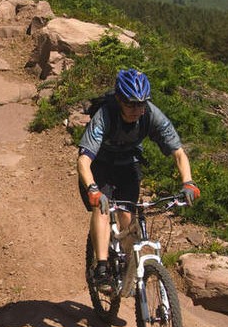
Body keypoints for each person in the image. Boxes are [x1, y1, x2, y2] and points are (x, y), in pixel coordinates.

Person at [77, 67, 200, 288]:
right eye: (130, 103)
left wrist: (188, 183)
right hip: (100, 165)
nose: (137, 109)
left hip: (127, 163)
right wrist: (93, 189)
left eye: (141, 103)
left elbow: (179, 153)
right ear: (119, 99)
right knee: (103, 209)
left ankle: (126, 267)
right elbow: (84, 160)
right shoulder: (105, 116)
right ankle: (102, 268)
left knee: (127, 216)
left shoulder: (151, 115)